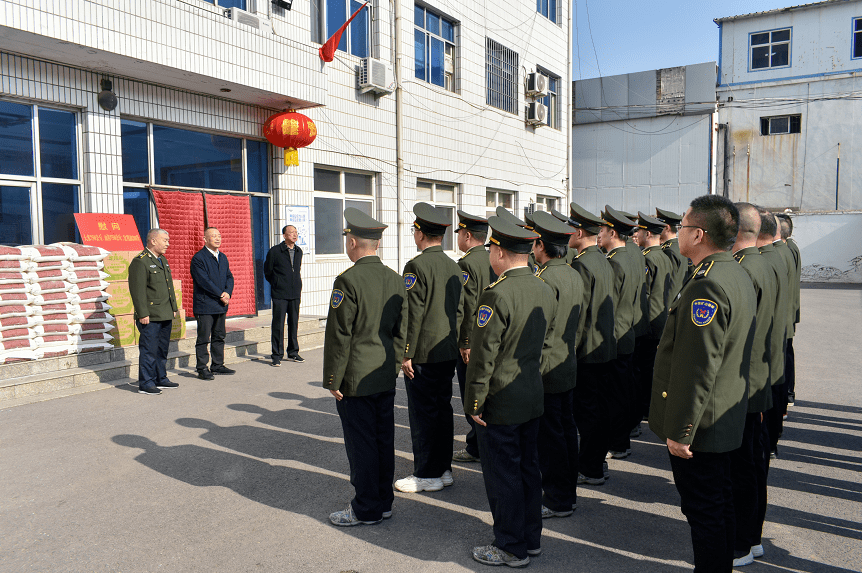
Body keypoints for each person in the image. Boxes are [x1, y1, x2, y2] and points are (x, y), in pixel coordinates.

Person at [649, 195, 756, 573]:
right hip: (723, 415)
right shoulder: (734, 271)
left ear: (698, 234)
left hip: (702, 426)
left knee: (705, 511)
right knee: (720, 503)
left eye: (681, 227)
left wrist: (681, 431)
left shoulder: (707, 284)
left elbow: (698, 367)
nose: (677, 234)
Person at [464, 216, 556, 568]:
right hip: (531, 395)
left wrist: (474, 402)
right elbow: (546, 345)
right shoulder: (543, 288)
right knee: (528, 471)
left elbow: (483, 357)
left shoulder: (497, 293)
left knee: (503, 477)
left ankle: (510, 546)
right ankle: (529, 539)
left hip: (500, 401)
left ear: (499, 252)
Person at [324, 208, 408, 526]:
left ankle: (366, 508)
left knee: (361, 446)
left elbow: (338, 335)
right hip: (384, 374)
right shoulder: (395, 279)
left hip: (356, 378)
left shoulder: (348, 280)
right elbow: (403, 329)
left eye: (348, 239)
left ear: (354, 242)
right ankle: (383, 502)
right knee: (383, 439)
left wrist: (333, 377)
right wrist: (395, 364)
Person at [395, 203, 463, 493]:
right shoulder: (453, 265)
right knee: (442, 409)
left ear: (420, 234)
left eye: (414, 230)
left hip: (422, 352)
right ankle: (443, 468)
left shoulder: (416, 266)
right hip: (447, 350)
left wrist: (406, 352)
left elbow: (411, 312)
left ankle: (427, 473)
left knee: (423, 415)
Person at [729, 203, 776, 567]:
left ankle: (742, 542)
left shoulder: (745, 270)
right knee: (753, 465)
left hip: (745, 387)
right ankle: (753, 537)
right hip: (760, 381)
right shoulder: (764, 262)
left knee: (743, 468)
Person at [531, 210, 582, 519]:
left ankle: (557, 499)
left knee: (550, 439)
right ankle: (567, 494)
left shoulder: (546, 278)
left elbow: (539, 329)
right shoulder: (573, 273)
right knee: (565, 433)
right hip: (566, 363)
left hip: (547, 368)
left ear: (540, 245)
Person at [564, 202, 616, 486]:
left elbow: (579, 315)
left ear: (579, 231)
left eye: (570, 229)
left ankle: (590, 467)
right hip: (604, 346)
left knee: (587, 414)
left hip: (587, 351)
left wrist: (570, 352)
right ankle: (597, 462)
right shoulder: (603, 259)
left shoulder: (583, 264)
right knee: (600, 410)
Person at [598, 206, 641, 461]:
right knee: (622, 392)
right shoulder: (631, 257)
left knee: (612, 396)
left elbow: (608, 305)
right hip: (628, 332)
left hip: (615, 336)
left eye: (602, 230)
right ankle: (621, 441)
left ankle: (617, 442)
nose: (599, 235)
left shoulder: (615, 263)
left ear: (612, 232)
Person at [453, 210, 494, 464]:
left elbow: (467, 307)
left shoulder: (467, 264)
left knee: (472, 395)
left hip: (473, 340)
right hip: (491, 337)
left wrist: (465, 342)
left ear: (467, 235)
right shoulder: (491, 258)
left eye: (459, 233)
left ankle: (477, 447)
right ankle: (479, 445)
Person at [128, 229, 180, 395]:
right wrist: (142, 313)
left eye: (168, 240)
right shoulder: (140, 262)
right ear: (152, 241)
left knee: (162, 349)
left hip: (164, 313)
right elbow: (138, 291)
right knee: (149, 350)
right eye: (164, 240)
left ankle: (160, 378)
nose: (167, 243)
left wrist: (173, 308)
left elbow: (168, 287)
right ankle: (146, 383)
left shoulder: (162, 260)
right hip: (149, 315)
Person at [633, 212, 673, 421]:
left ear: (647, 233)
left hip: (649, 322)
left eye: (639, 231)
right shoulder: (663, 255)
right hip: (661, 318)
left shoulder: (648, 257)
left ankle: (645, 409)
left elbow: (645, 293)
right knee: (653, 369)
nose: (636, 234)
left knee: (644, 371)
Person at [756, 210, 789, 459]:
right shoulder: (777, 255)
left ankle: (769, 442)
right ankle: (771, 441)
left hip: (766, 344)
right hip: (775, 338)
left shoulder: (762, 262)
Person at [190, 227, 235, 380]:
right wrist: (220, 294)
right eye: (213, 236)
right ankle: (202, 368)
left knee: (219, 336)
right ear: (205, 239)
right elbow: (204, 281)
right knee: (203, 338)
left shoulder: (222, 257)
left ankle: (217, 365)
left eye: (219, 236)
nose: (217, 238)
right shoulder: (199, 258)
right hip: (205, 305)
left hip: (221, 304)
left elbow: (229, 277)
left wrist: (228, 292)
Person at [264, 225, 304, 366]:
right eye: (291, 232)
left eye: (296, 232)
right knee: (278, 324)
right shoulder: (275, 251)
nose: (294, 234)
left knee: (294, 323)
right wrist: (276, 283)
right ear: (284, 235)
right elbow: (267, 271)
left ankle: (293, 352)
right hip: (280, 293)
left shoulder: (299, 251)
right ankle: (276, 354)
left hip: (294, 293)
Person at [777, 214, 801, 407]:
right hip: (788, 309)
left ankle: (788, 392)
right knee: (787, 351)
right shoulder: (791, 247)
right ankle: (789, 391)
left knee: (785, 353)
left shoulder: (785, 249)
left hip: (785, 310)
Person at [655, 207, 689, 299]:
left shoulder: (669, 251)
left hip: (670, 304)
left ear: (667, 228)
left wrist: (667, 308)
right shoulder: (676, 247)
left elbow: (671, 283)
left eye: (659, 226)